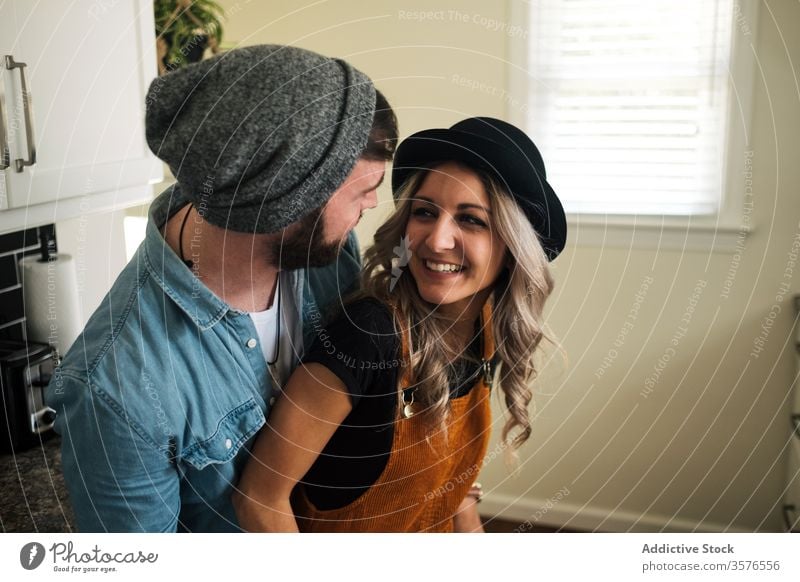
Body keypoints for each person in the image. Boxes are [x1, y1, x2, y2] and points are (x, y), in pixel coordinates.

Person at [45, 44, 398, 532]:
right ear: (286, 202)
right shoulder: (118, 390)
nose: (373, 203)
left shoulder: (326, 256)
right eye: (362, 191)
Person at [233, 116, 567, 532]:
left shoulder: (485, 329)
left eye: (471, 220)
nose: (436, 239)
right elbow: (260, 499)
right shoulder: (367, 336)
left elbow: (454, 487)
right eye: (425, 212)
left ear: (513, 246)